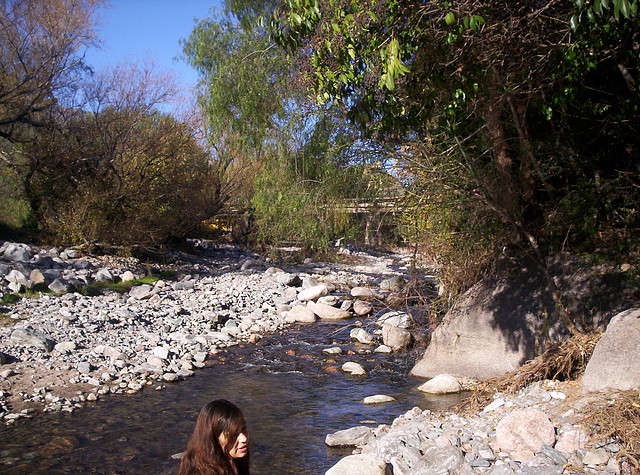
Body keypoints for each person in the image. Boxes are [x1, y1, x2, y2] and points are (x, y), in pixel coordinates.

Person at [177, 399, 250, 475]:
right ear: (214, 438)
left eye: (243, 429)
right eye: (234, 434)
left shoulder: (237, 460)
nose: (244, 438)